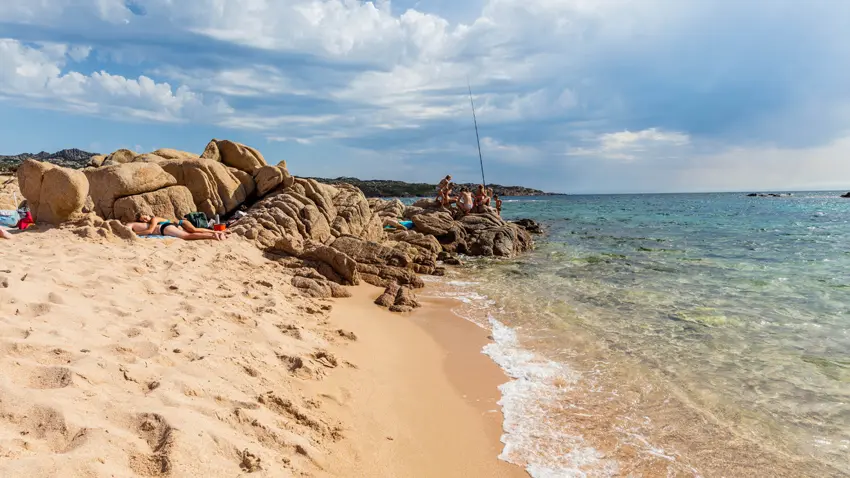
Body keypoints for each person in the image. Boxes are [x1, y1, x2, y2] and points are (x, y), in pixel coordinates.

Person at [126, 214, 227, 241]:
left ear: (148, 215)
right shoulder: (150, 221)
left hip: (167, 228)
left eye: (145, 218)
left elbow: (150, 230)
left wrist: (135, 234)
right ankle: (214, 233)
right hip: (167, 228)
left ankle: (214, 234)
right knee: (190, 233)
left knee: (187, 235)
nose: (145, 220)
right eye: (142, 220)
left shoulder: (154, 219)